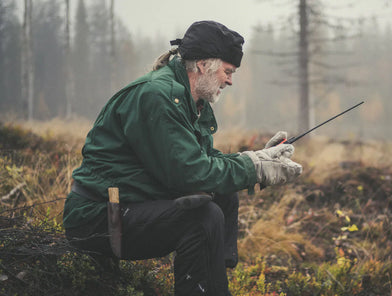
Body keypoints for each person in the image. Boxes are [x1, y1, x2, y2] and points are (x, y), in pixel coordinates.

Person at [62, 20, 302, 296]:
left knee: (224, 198)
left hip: (127, 204)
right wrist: (254, 168)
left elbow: (202, 161)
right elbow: (189, 174)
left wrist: (257, 158)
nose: (230, 80)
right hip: (98, 218)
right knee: (202, 218)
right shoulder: (158, 96)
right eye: (227, 71)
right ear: (202, 65)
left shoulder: (189, 99)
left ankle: (214, 284)